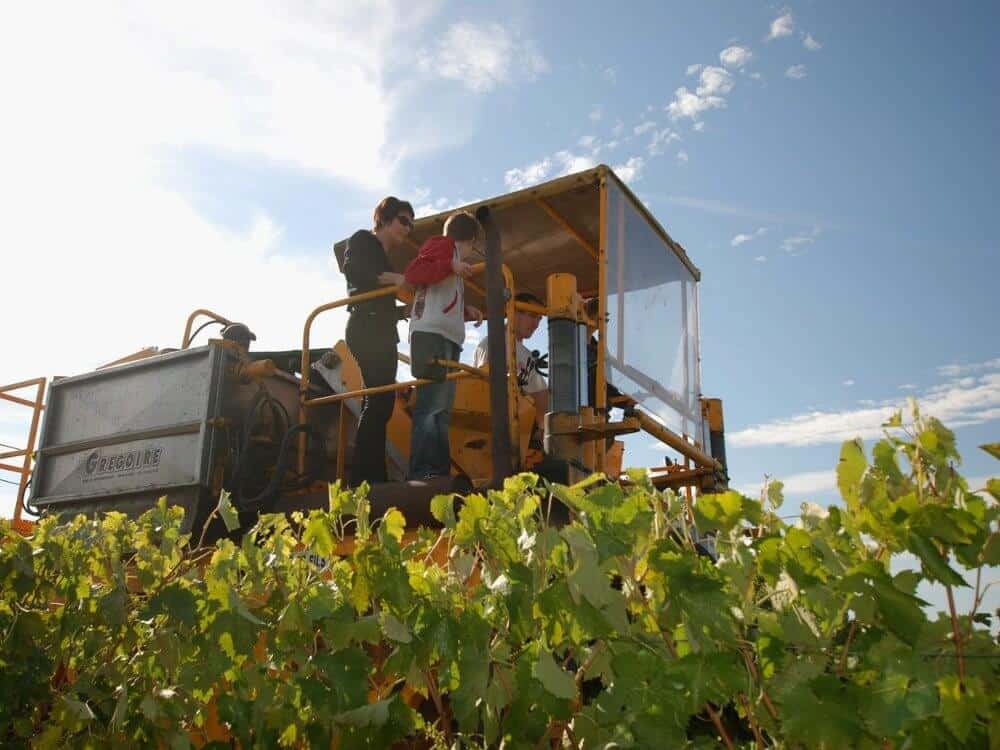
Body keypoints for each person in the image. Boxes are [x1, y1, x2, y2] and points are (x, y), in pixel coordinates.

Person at [404, 211, 484, 479]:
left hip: (445, 337)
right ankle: (423, 470)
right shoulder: (443, 245)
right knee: (431, 407)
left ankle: (436, 470)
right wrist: (450, 266)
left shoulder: (455, 263)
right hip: (431, 336)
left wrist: (466, 311)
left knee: (441, 410)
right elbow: (414, 273)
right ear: (471, 240)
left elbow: (439, 298)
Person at [342, 196, 413, 486]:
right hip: (366, 326)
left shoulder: (385, 258)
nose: (408, 228)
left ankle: (372, 475)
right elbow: (354, 272)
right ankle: (364, 478)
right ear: (384, 219)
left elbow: (379, 297)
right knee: (378, 401)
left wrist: (402, 311)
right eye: (403, 220)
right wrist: (395, 279)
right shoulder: (362, 240)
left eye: (411, 224)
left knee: (382, 403)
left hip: (381, 328)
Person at [472, 291, 549, 432]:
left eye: (539, 319)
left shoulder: (528, 355)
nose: (536, 324)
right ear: (513, 312)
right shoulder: (493, 343)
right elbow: (484, 388)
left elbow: (540, 394)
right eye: (532, 316)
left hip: (528, 426)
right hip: (501, 424)